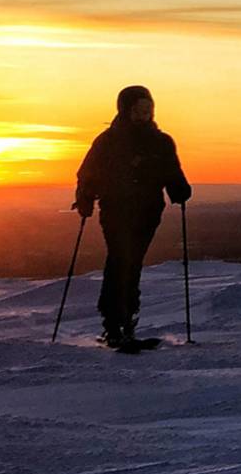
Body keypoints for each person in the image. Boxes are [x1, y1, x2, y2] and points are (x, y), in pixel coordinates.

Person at [73, 85, 191, 346]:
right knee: (122, 259)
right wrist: (85, 198)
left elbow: (171, 171)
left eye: (147, 110)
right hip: (116, 209)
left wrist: (179, 189)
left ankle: (123, 323)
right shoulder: (108, 141)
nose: (143, 115)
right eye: (138, 110)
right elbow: (88, 173)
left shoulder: (161, 142)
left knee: (132, 261)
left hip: (148, 211)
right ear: (125, 110)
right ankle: (116, 322)